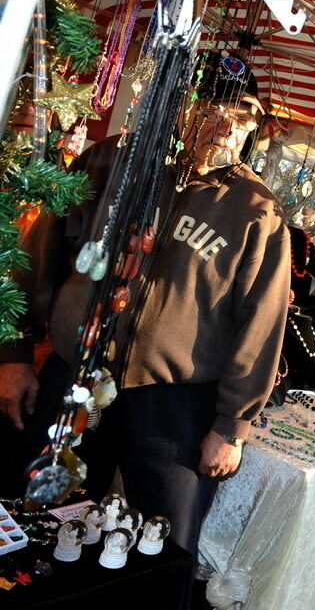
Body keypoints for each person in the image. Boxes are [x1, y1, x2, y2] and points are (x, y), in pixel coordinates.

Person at [0, 52, 290, 553]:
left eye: (241, 111)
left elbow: (261, 325)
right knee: (32, 522)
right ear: (182, 104)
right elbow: (41, 258)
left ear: (253, 126)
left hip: (172, 405)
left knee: (163, 544)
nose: (223, 122)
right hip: (74, 375)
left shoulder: (255, 211)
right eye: (209, 104)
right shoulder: (110, 159)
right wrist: (15, 355)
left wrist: (232, 425)